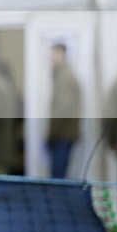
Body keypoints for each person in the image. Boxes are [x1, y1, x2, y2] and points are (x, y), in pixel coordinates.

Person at [46, 42, 81, 178]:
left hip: (62, 132)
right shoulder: (61, 74)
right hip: (64, 131)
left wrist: (51, 134)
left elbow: (62, 110)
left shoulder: (64, 76)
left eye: (54, 53)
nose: (51, 57)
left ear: (62, 55)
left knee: (58, 174)